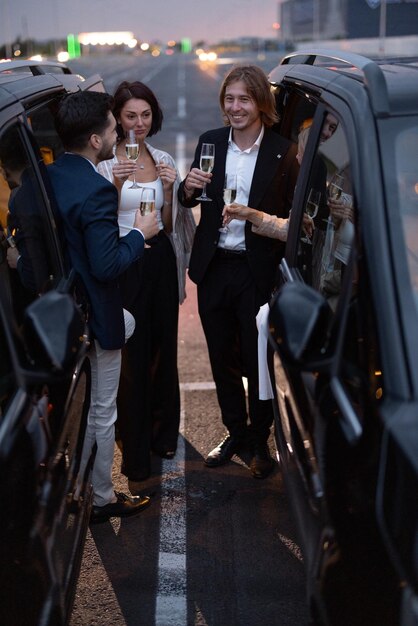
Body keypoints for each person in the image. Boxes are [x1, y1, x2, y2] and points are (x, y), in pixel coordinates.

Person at [178, 65, 299, 479]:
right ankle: (235, 432)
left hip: (255, 269)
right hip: (215, 268)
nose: (235, 107)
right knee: (221, 357)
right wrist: (188, 187)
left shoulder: (284, 151)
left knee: (256, 357)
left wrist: (253, 215)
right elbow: (187, 196)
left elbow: (294, 220)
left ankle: (258, 439)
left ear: (261, 104)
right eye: (229, 99)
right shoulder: (210, 142)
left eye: (244, 99)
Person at [47, 90, 159, 523]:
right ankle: (101, 496)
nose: (119, 133)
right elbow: (107, 264)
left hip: (61, 312)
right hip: (93, 312)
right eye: (114, 127)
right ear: (96, 139)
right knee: (103, 409)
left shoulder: (51, 176)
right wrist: (139, 234)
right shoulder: (96, 189)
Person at [98, 81, 196, 491]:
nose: (139, 123)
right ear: (117, 120)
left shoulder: (163, 158)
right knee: (130, 360)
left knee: (162, 348)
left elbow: (170, 225)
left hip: (158, 260)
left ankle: (163, 436)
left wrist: (170, 190)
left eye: (145, 115)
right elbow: (101, 226)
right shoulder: (104, 165)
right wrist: (117, 184)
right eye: (130, 116)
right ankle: (134, 450)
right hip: (125, 262)